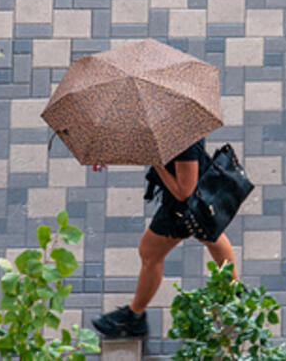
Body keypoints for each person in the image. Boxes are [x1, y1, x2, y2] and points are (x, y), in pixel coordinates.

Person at [91, 138, 240, 338]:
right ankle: (234, 293)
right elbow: (144, 135)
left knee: (150, 253)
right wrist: (108, 148)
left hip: (182, 208)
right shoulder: (174, 123)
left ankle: (134, 317)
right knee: (211, 234)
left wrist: (157, 163)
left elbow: (184, 192)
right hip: (200, 192)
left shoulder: (182, 142)